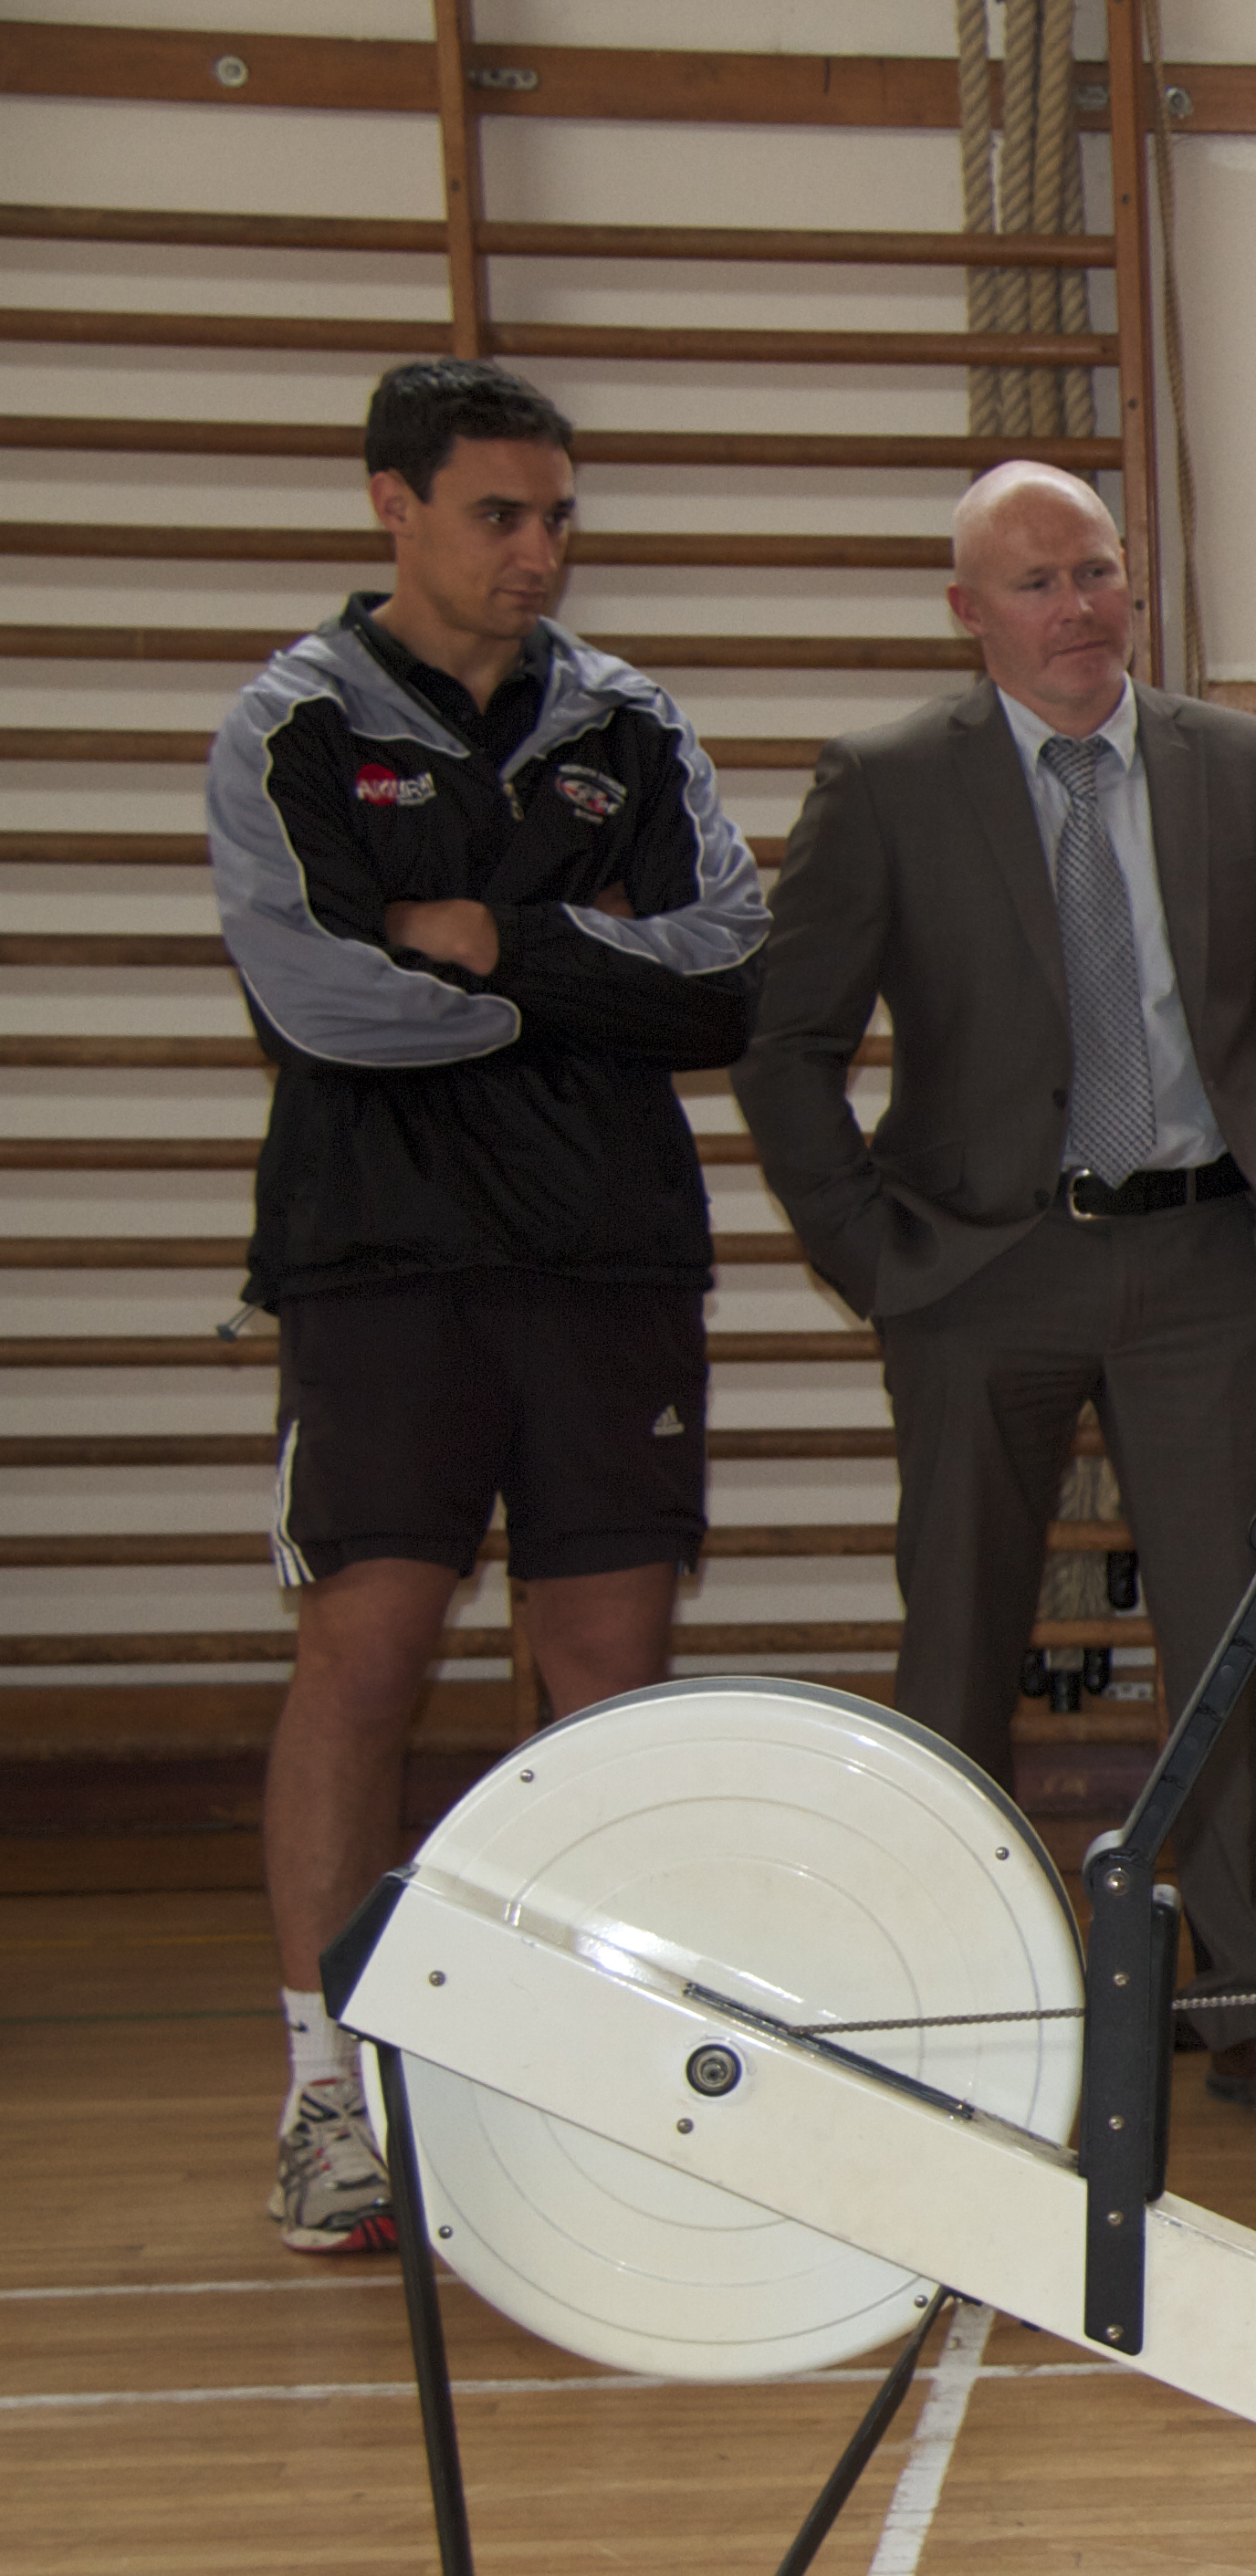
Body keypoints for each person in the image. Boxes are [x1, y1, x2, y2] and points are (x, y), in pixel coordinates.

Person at [739, 462, 1256, 2138]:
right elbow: (787, 1047)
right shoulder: (888, 784)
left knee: (1233, 1651)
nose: (1078, 608)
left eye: (1096, 571)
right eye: (1036, 583)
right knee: (956, 1643)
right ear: (969, 612)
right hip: (975, 1269)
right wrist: (869, 1258)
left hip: (1205, 1265)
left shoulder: (1244, 766)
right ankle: (939, 2006)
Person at [216, 357, 767, 2252]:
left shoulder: (629, 722)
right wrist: (580, 980)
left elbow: (724, 983)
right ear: (395, 505)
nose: (537, 552)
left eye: (558, 518)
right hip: (382, 1260)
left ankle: (585, 2068)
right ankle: (328, 2088)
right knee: (365, 1658)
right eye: (498, 515)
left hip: (608, 1255)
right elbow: (319, 1002)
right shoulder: (295, 726)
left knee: (606, 1677)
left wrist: (496, 943)